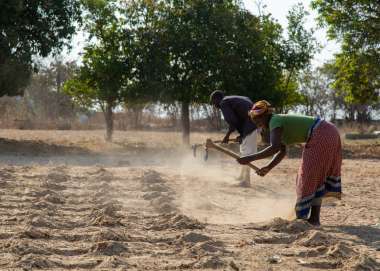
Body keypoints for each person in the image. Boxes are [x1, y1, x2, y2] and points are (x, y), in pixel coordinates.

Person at [237, 100, 342, 225]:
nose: (258, 124)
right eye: (255, 121)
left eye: (259, 120)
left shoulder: (275, 121)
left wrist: (249, 158)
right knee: (314, 177)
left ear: (266, 115)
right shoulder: (277, 123)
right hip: (327, 132)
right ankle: (313, 219)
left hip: (322, 133)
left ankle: (308, 218)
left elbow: (274, 147)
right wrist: (268, 167)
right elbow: (281, 151)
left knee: (308, 176)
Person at [210, 90, 258, 187]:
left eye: (213, 102)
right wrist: (242, 135)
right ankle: (241, 176)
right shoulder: (231, 99)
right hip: (253, 123)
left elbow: (233, 122)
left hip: (251, 124)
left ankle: (246, 181)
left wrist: (226, 136)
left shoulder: (224, 102)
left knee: (246, 153)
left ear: (217, 99)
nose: (214, 105)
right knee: (244, 151)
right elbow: (241, 116)